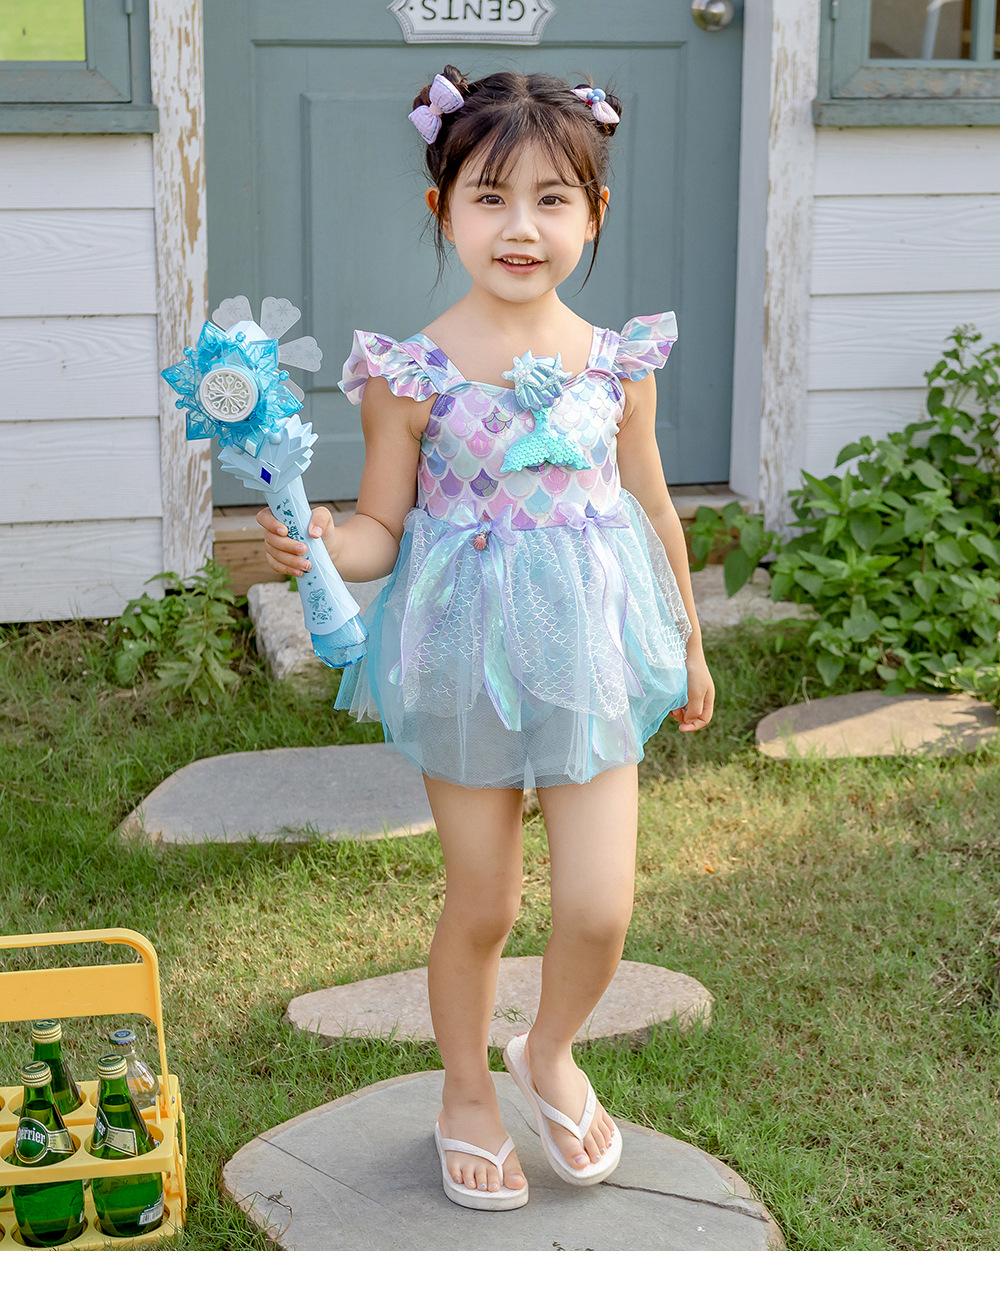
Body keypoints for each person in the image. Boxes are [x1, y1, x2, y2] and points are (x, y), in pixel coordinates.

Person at [258, 66, 714, 1211]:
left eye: (552, 198)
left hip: (593, 662)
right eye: (489, 196)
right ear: (442, 209)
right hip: (464, 663)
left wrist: (689, 639)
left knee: (599, 905)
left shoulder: (617, 365)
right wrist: (323, 541)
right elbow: (381, 527)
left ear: (594, 213)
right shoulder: (409, 376)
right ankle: (464, 1088)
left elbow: (653, 509)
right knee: (486, 901)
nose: (520, 226)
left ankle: (546, 1050)